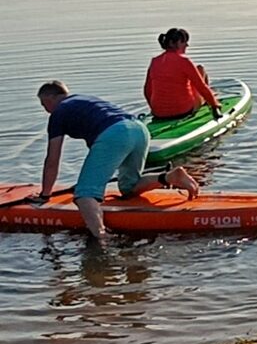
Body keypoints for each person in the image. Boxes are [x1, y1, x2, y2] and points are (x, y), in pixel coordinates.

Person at [32, 81, 200, 240]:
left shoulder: (59, 113)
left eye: (43, 104)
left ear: (51, 98)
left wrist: (45, 195)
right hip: (139, 129)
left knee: (84, 195)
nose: (45, 109)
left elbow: (52, 159)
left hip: (115, 133)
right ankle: (169, 177)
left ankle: (101, 238)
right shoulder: (83, 100)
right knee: (129, 186)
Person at [144, 27, 221, 120]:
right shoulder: (184, 61)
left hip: (159, 113)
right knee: (200, 69)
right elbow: (201, 87)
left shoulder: (154, 62)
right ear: (173, 43)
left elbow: (147, 90)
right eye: (183, 42)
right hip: (183, 111)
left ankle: (208, 98)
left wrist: (154, 109)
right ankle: (209, 101)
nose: (186, 45)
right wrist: (215, 105)